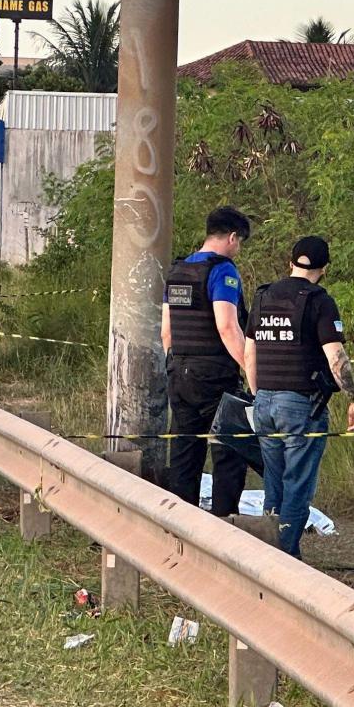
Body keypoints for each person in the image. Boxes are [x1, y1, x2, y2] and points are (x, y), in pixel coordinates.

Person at [246, 236, 354, 558]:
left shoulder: (263, 296)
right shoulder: (320, 301)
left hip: (264, 402)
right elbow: (335, 355)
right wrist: (353, 398)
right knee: (297, 485)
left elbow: (249, 351)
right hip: (300, 406)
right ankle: (285, 559)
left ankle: (268, 553)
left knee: (274, 482)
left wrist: (258, 395)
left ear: (291, 262)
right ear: (324, 269)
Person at [160, 206, 253, 515]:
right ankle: (224, 521)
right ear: (232, 237)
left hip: (180, 372)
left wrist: (173, 368)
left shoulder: (178, 271)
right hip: (214, 373)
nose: (238, 249)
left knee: (185, 449)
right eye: (239, 242)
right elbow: (227, 327)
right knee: (229, 447)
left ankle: (182, 521)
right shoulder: (222, 270)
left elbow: (166, 332)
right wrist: (250, 371)